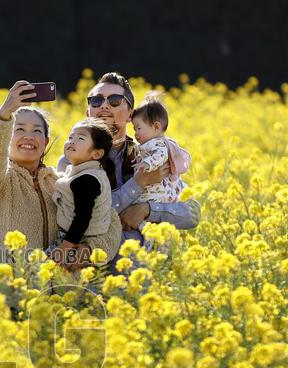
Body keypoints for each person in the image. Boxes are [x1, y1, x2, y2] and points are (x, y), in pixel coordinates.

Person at [57, 72, 201, 269]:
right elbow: (83, 215)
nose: (104, 106)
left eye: (115, 101)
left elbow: (192, 213)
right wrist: (138, 183)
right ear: (87, 113)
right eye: (96, 101)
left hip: (150, 275)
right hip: (97, 279)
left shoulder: (149, 154)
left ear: (131, 114)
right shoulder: (72, 161)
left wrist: (148, 210)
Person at [0, 80, 87, 274]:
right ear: (6, 137)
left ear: (45, 141)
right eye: (19, 129)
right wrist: (3, 115)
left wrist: (88, 250)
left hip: (65, 296)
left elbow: (97, 220)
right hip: (16, 296)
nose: (29, 136)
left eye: (36, 131)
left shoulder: (60, 183)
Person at [44, 118, 121, 269]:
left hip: (77, 241)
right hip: (77, 239)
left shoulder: (86, 180)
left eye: (80, 138)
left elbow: (82, 218)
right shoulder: (85, 172)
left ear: (97, 154)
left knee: (44, 270)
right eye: (70, 137)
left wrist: (65, 247)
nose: (72, 141)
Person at [130, 93, 192, 232]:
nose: (135, 133)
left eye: (138, 128)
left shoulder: (158, 144)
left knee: (138, 207)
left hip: (157, 191)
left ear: (156, 126)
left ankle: (152, 234)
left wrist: (147, 164)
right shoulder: (151, 143)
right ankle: (151, 234)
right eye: (134, 129)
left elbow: (160, 156)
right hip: (154, 189)